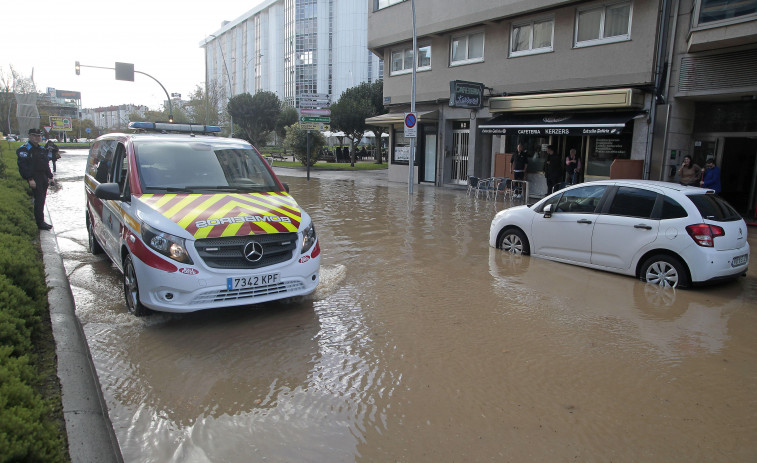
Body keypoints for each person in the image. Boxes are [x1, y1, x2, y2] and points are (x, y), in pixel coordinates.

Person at [17, 128, 54, 230]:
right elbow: (23, 166)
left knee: (42, 199)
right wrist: (29, 179)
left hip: (43, 176)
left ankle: (41, 220)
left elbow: (46, 164)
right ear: (29, 136)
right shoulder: (24, 149)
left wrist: (50, 177)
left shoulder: (42, 149)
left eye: (38, 136)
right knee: (39, 200)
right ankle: (40, 223)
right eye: (34, 135)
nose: (37, 138)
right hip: (34, 177)